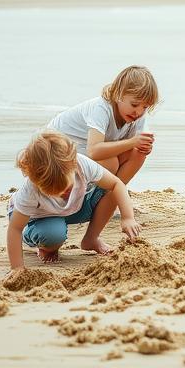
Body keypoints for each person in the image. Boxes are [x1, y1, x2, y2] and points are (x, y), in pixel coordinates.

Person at [46, 65, 158, 251]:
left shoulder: (137, 117)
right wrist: (132, 143)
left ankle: (93, 235)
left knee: (138, 154)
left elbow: (132, 147)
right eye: (134, 104)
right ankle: (111, 192)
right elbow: (94, 151)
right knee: (111, 162)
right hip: (54, 153)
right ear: (118, 94)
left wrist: (142, 146)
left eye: (145, 107)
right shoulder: (101, 107)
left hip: (84, 157)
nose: (138, 112)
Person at [5, 130, 141, 270]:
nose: (62, 194)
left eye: (67, 188)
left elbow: (117, 184)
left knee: (109, 190)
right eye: (52, 192)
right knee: (53, 235)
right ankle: (44, 244)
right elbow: (15, 228)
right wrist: (17, 269)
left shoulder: (81, 164)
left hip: (73, 207)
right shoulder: (31, 190)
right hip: (38, 217)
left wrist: (128, 217)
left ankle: (91, 239)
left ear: (73, 165)